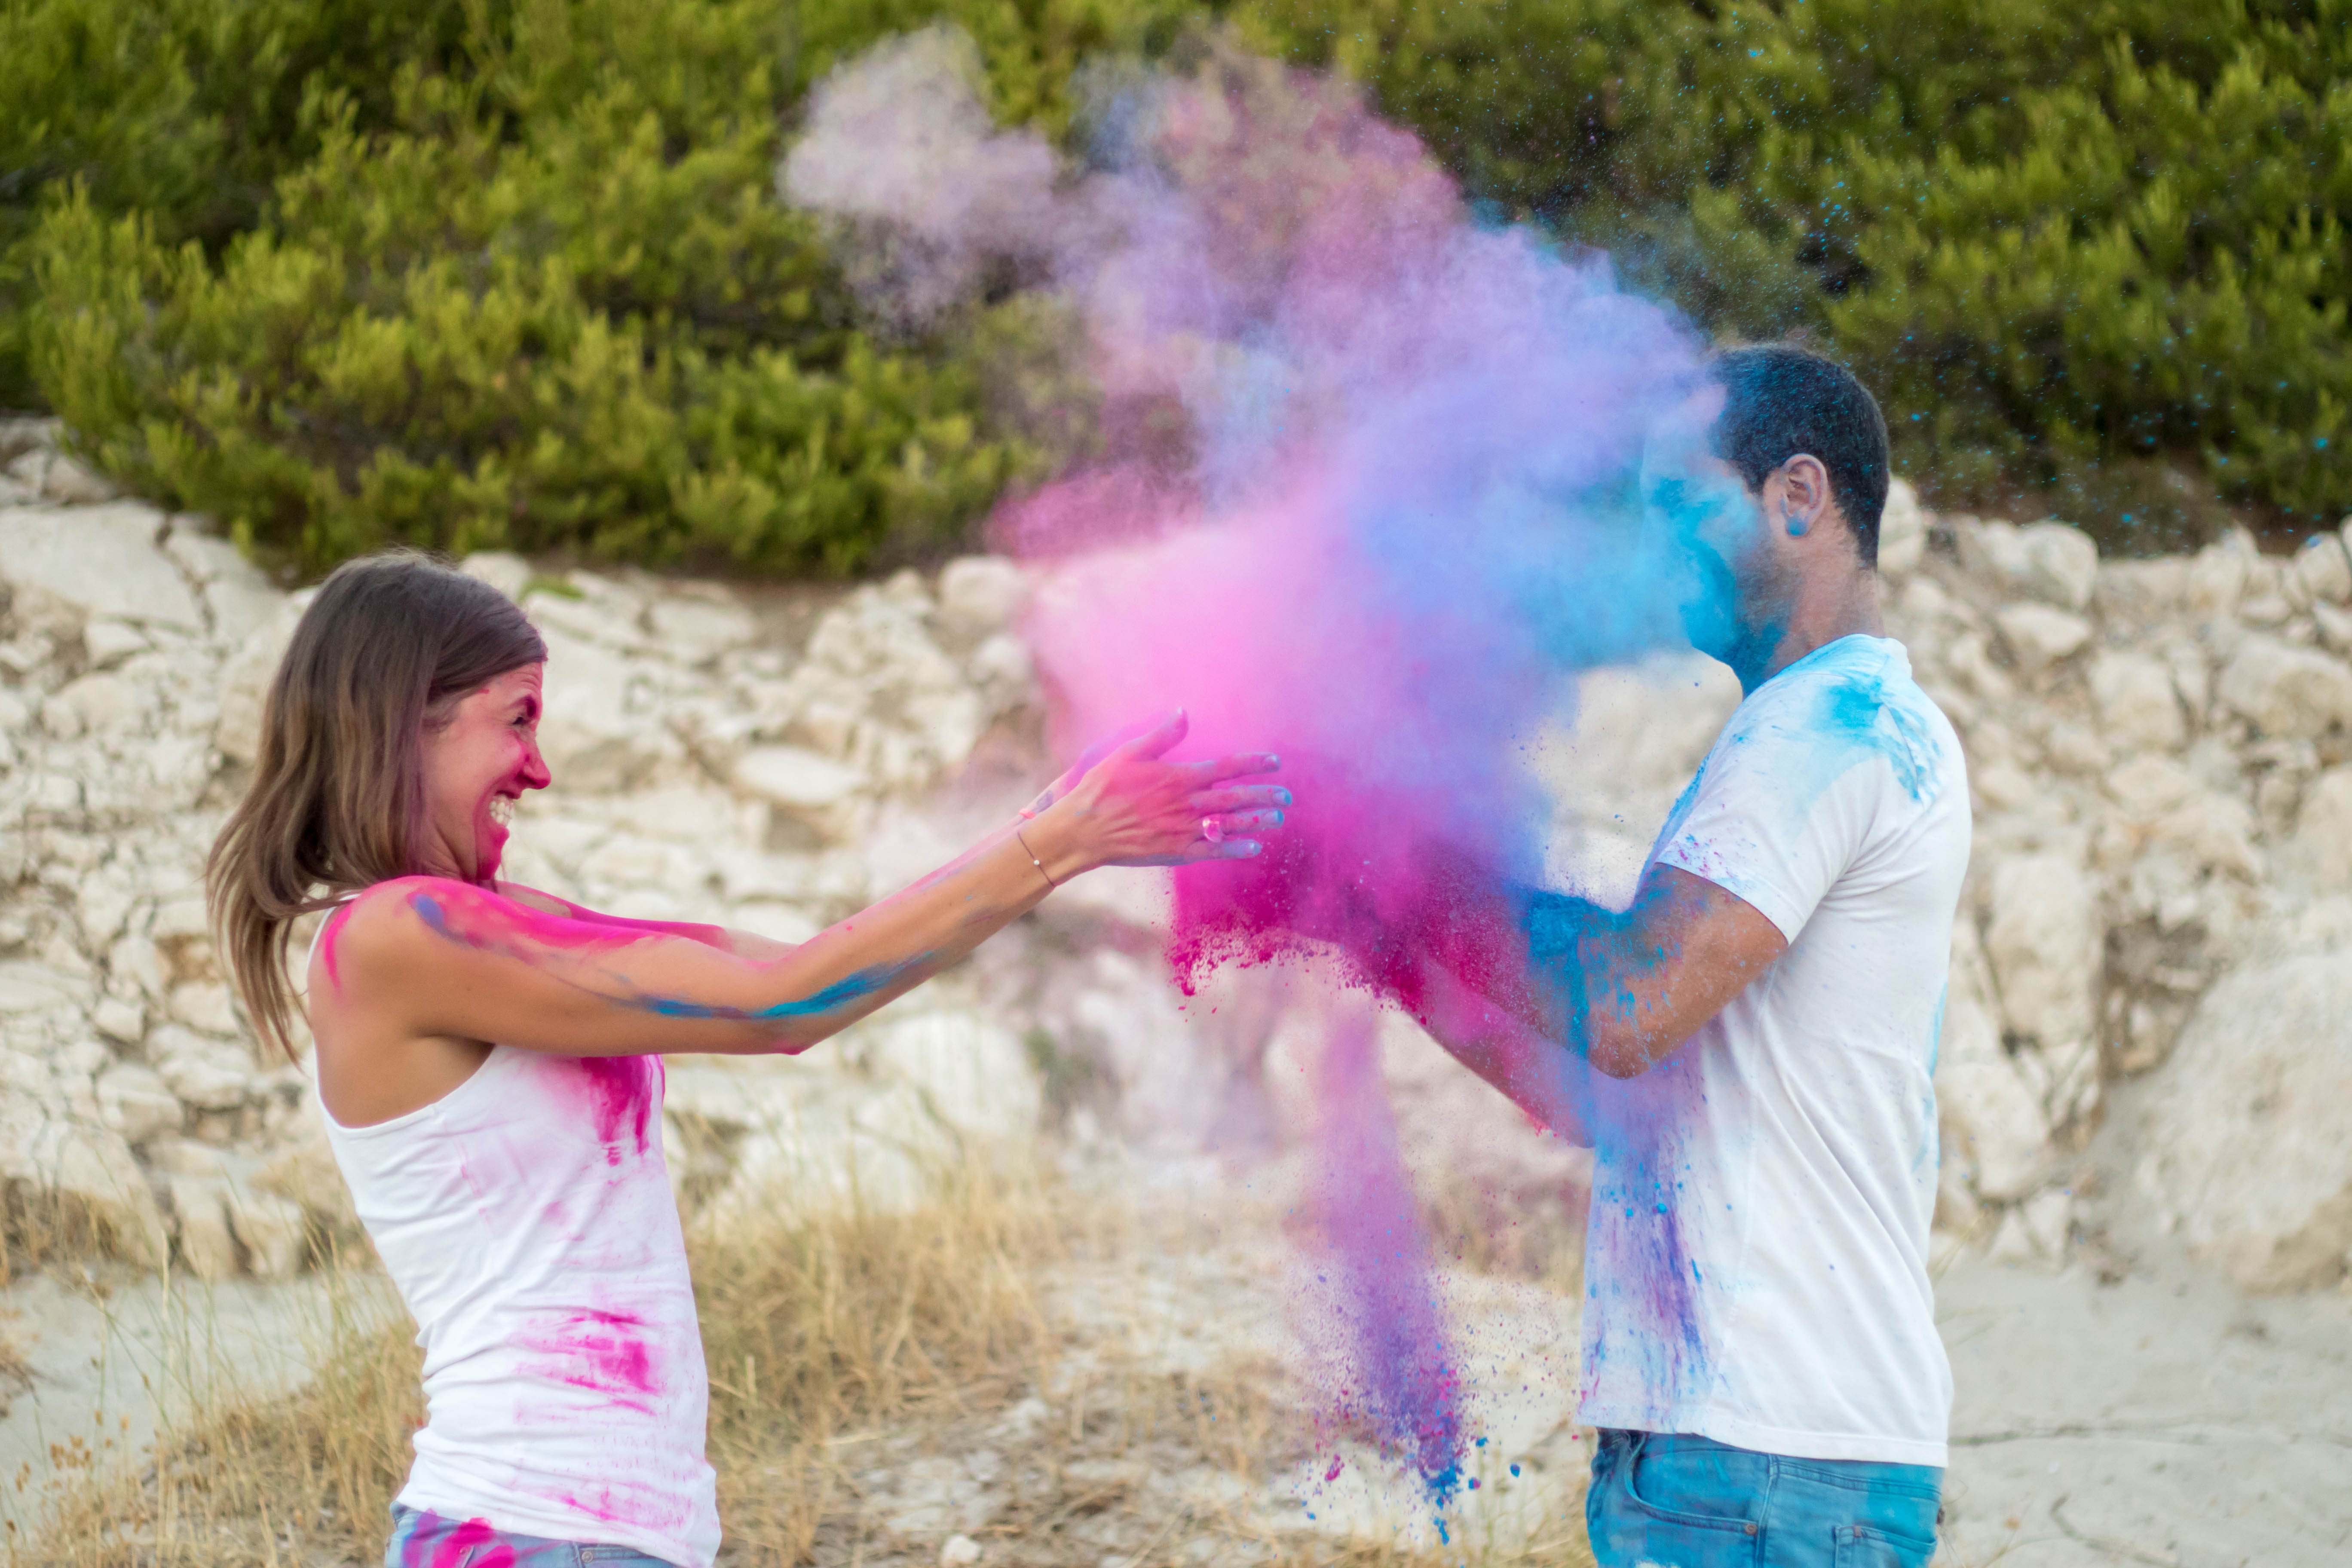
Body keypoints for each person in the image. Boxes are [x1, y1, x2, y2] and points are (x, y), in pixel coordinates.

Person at [205, 551, 1289, 1568]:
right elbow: (790, 1005)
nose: (539, 767)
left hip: (610, 1531)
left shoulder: (482, 924)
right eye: (517, 720)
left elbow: (806, 972)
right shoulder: (399, 941)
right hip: (534, 1529)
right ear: (406, 722)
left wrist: (1054, 826)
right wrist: (1059, 845)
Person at [1365, 345, 1965, 1566]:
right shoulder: (1805, 734)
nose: (1652, 553)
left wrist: (1409, 874)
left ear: (1798, 497)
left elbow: (1626, 1004)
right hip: (1737, 1457)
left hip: (1769, 1461)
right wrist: (1390, 944)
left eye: (1679, 506)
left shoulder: (1827, 731)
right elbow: (1609, 1093)